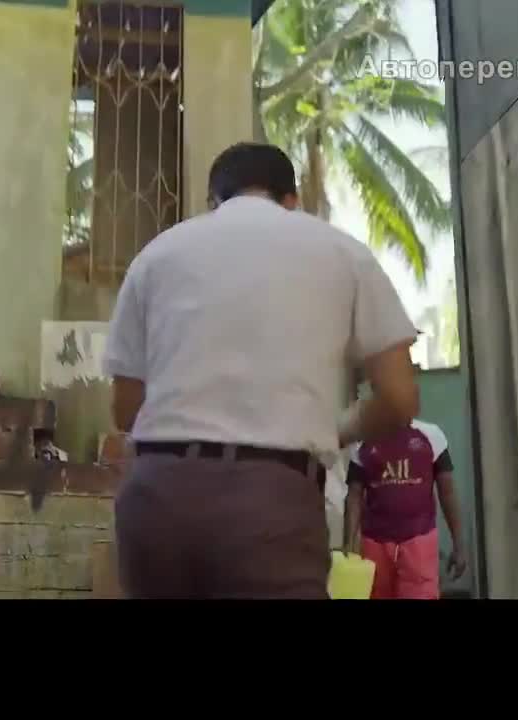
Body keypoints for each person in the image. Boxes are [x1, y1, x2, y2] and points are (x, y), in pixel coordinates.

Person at [102, 142, 420, 599]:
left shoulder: (157, 254)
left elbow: (126, 409)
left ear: (213, 201)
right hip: (271, 502)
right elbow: (399, 398)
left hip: (157, 500)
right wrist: (336, 430)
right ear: (291, 200)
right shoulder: (342, 252)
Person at [342, 419, 467, 599]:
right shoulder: (363, 441)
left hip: (419, 544)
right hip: (375, 546)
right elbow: (354, 495)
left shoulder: (431, 435)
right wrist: (348, 544)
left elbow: (447, 492)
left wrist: (459, 545)